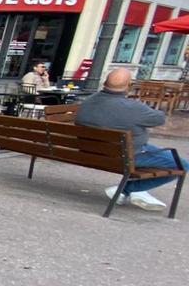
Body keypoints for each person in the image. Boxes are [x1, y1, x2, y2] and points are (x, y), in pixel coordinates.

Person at [76, 68, 186, 210]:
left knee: (146, 149)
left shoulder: (88, 102)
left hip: (90, 151)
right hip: (127, 155)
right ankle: (127, 189)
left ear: (104, 83)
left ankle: (136, 191)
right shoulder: (134, 108)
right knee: (182, 164)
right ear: (129, 85)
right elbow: (159, 118)